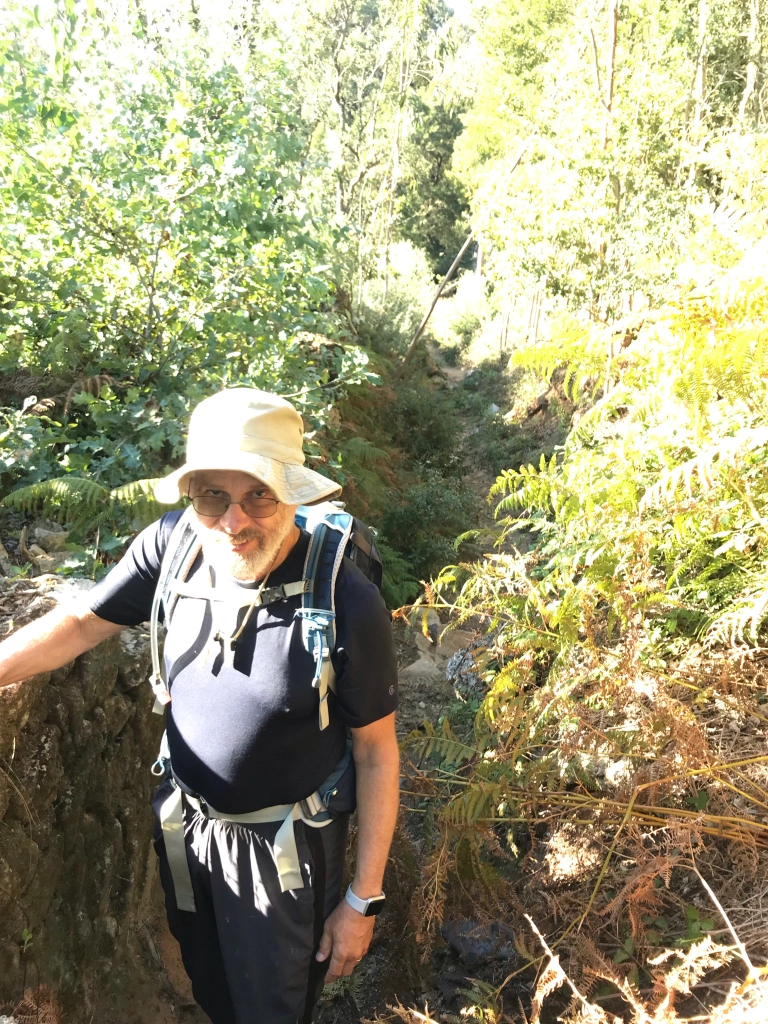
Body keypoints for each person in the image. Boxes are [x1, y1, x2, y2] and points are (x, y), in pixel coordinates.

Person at [0, 388, 400, 1024]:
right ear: (192, 497)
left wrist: (362, 900)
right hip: (186, 829)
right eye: (213, 496)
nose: (233, 521)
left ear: (292, 493)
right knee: (212, 985)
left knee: (273, 1009)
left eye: (257, 495)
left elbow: (376, 753)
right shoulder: (174, 546)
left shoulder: (345, 603)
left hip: (287, 851)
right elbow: (80, 623)